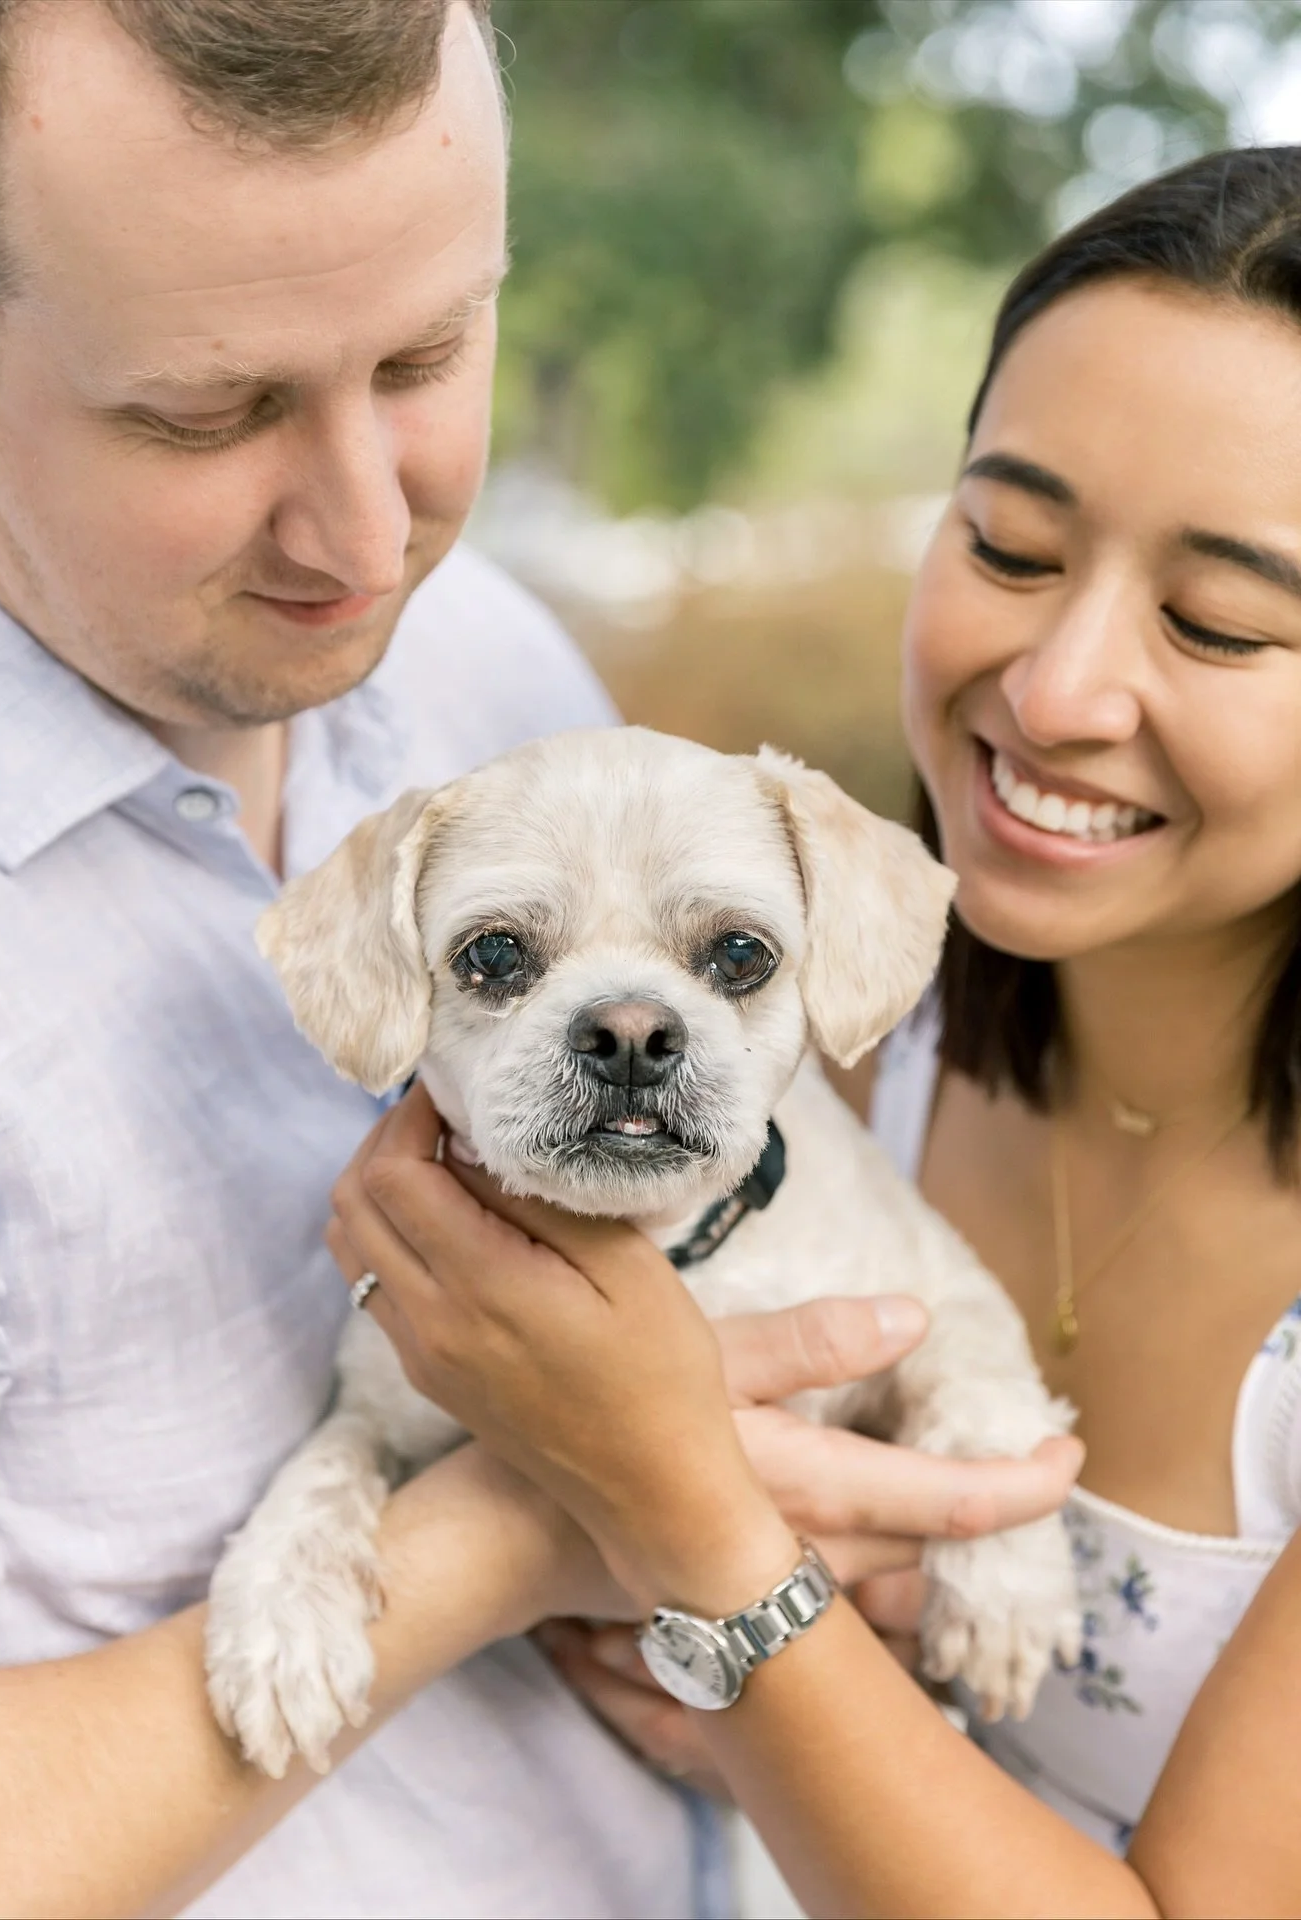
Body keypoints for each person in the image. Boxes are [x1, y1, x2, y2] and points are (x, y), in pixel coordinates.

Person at [0, 3, 1080, 1915]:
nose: (367, 533)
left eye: (428, 353)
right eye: (208, 410)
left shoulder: (486, 647)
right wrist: (549, 1511)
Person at [329, 144, 1301, 1918]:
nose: (1062, 689)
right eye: (1009, 542)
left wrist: (688, 1525)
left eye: (1220, 622)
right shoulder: (825, 1035)